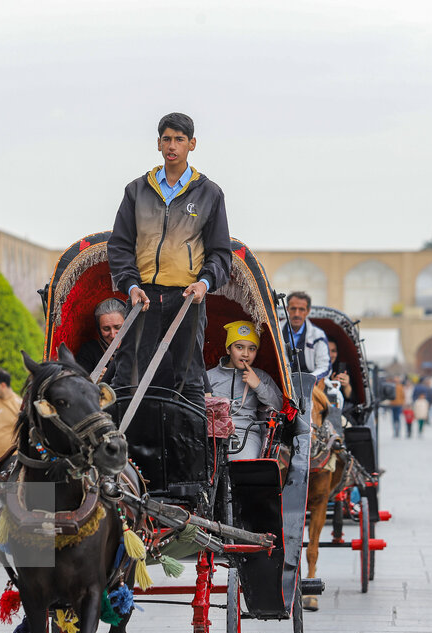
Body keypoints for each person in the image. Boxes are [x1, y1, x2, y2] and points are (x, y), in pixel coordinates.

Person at [107, 112, 232, 411]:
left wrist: (204, 284)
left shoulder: (210, 193)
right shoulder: (136, 190)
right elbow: (120, 245)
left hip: (187, 298)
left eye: (179, 139)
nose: (172, 145)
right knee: (128, 375)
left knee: (188, 378)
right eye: (166, 139)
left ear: (192, 144)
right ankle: (122, 451)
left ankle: (191, 452)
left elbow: (220, 253)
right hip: (143, 296)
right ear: (158, 144)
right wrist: (131, 285)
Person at [205, 321, 282, 460]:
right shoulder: (208, 377)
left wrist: (258, 385)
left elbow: (279, 406)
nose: (246, 354)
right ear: (228, 349)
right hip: (211, 435)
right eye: (239, 347)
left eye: (252, 349)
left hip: (246, 434)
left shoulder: (262, 377)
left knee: (243, 467)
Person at [281, 292, 331, 381]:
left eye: (301, 309)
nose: (297, 314)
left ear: (308, 311)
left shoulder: (318, 335)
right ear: (287, 309)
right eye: (293, 309)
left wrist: (309, 380)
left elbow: (324, 367)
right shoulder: (275, 332)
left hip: (310, 385)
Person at [76, 298, 127, 382]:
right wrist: (92, 380)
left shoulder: (140, 347)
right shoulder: (89, 351)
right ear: (99, 329)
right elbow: (76, 385)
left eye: (118, 327)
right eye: (106, 329)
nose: (113, 335)